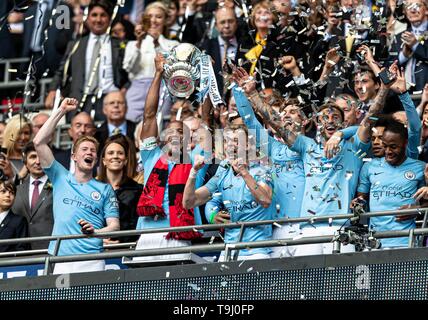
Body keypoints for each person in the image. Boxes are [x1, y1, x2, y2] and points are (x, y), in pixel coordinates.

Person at [33, 97, 120, 274]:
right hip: (60, 256)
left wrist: (96, 231)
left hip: (92, 258)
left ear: (96, 159)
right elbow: (39, 142)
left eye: (93, 151)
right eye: (84, 150)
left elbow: (114, 226)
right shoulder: (60, 176)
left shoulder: (105, 189)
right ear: (74, 156)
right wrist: (61, 111)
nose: (89, 152)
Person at [232, 67, 307, 258]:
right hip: (279, 228)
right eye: (284, 113)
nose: (288, 115)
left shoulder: (312, 147)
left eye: (294, 112)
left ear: (305, 121)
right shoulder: (273, 148)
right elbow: (250, 123)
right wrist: (239, 91)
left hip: (308, 226)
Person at [134, 53, 202, 262]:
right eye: (171, 131)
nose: (175, 135)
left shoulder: (195, 159)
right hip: (148, 234)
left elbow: (207, 118)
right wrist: (157, 74)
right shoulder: (151, 156)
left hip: (179, 235)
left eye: (182, 133)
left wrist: (208, 76)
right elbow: (149, 115)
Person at [182, 124, 275, 261]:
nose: (230, 145)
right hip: (228, 251)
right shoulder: (222, 172)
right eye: (226, 141)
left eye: (237, 141)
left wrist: (243, 172)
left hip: (257, 250)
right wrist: (193, 172)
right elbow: (189, 202)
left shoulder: (262, 170)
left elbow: (265, 200)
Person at [45, 0, 129, 122]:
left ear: (110, 19)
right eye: (94, 15)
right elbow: (61, 71)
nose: (98, 20)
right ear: (87, 18)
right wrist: (52, 90)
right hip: (79, 102)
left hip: (110, 100)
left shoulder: (119, 45)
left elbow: (129, 74)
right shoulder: (75, 44)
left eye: (103, 15)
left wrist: (123, 91)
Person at [354, 120, 426, 248]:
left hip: (406, 241)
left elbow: (426, 201)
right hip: (374, 241)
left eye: (393, 147)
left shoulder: (420, 168)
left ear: (405, 143)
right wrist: (357, 203)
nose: (388, 151)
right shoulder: (369, 166)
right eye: (385, 145)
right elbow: (361, 199)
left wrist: (418, 210)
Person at [123, 1, 178, 122]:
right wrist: (139, 42)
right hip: (136, 90)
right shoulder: (133, 44)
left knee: (159, 127)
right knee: (132, 125)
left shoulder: (173, 45)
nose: (153, 21)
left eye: (158, 17)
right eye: (150, 17)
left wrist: (157, 43)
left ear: (165, 20)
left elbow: (170, 70)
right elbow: (128, 68)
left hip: (162, 89)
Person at [97, 134, 142, 243]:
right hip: (96, 248)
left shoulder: (137, 190)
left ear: (126, 160)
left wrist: (120, 241)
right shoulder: (92, 188)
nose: (115, 156)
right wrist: (99, 241)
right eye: (110, 153)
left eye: (120, 153)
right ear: (104, 160)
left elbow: (137, 224)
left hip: (126, 248)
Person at [11, 142, 54, 250]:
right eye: (33, 157)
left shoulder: (58, 186)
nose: (38, 162)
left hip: (50, 251)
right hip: (21, 251)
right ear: (25, 162)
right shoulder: (17, 190)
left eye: (41, 157)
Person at [94, 91, 136, 155]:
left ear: (126, 108)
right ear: (104, 109)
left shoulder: (137, 130)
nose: (116, 105)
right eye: (111, 103)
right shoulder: (96, 134)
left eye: (120, 103)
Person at [0, 180, 29, 252]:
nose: (8, 195)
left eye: (12, 193)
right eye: (3, 191)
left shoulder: (19, 221)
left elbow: (21, 248)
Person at [2, 115, 32, 181]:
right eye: (19, 133)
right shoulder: (2, 160)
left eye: (26, 133)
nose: (23, 137)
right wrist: (10, 175)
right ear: (10, 134)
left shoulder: (35, 159)